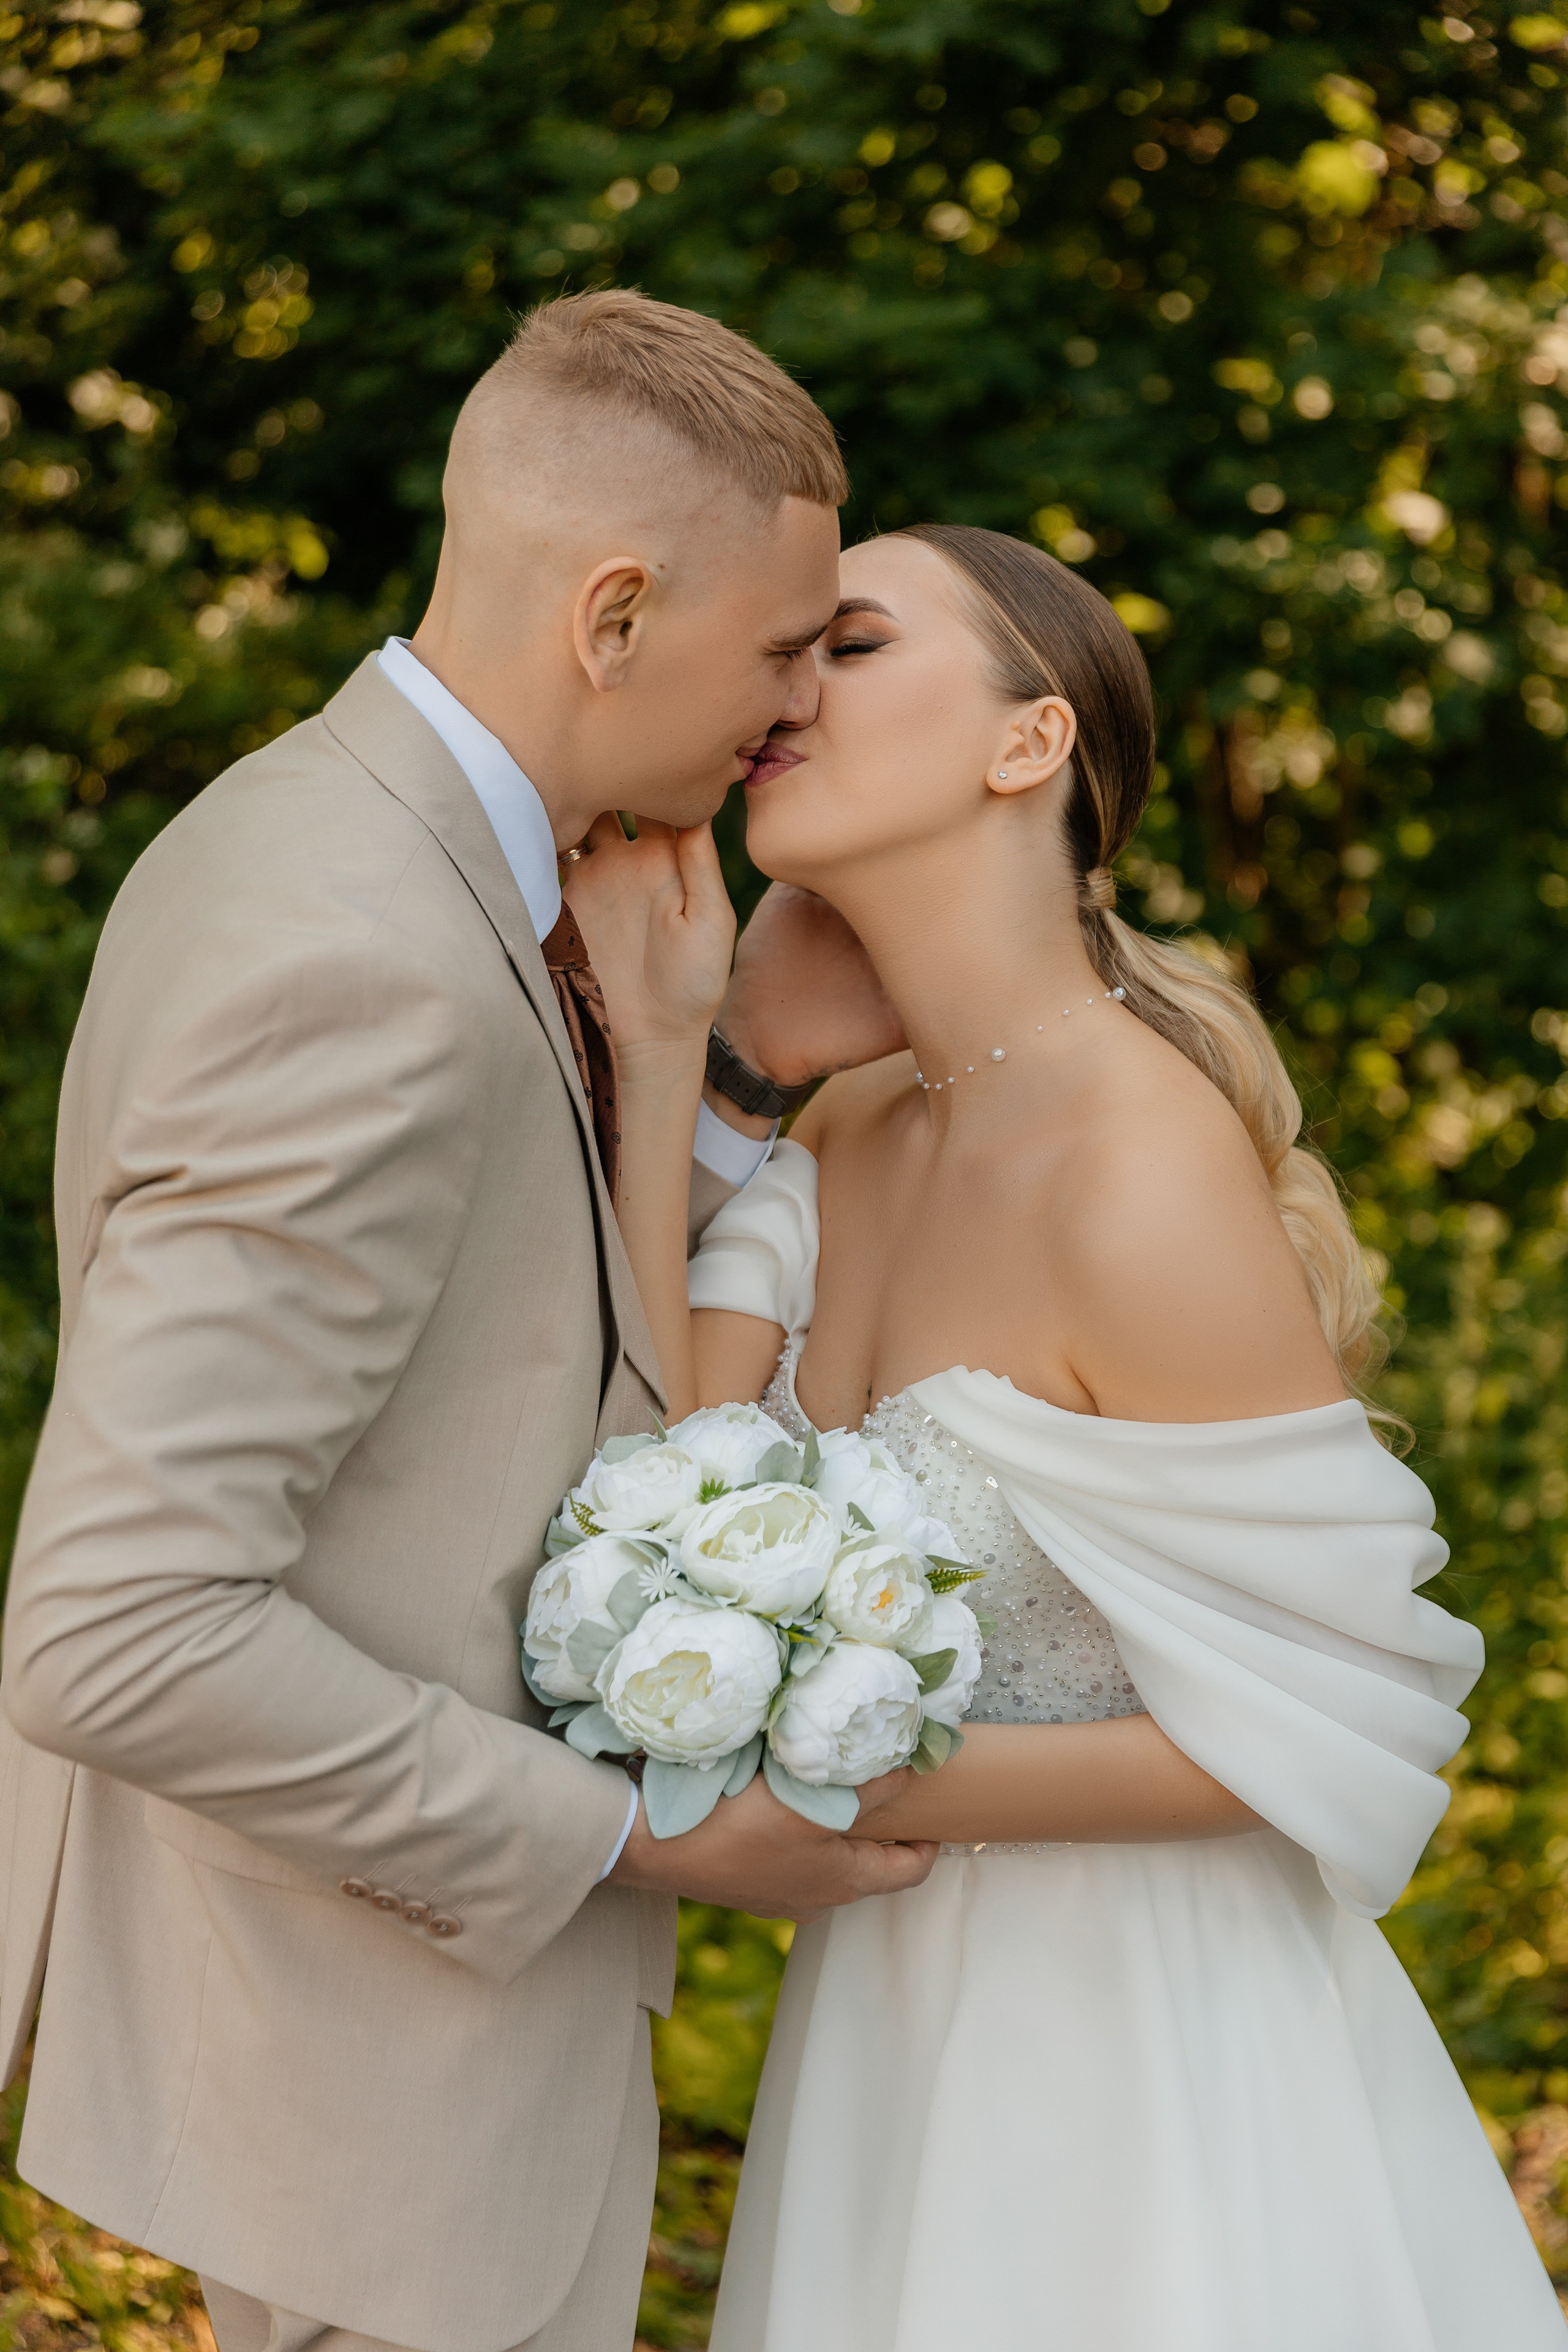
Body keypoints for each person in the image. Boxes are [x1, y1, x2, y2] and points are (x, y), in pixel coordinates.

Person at [0, 292, 936, 2352]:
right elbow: (119, 1624)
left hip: (375, 2053)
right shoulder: (370, 954)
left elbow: (487, 1323)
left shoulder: (330, 835)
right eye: (782, 651)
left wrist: (716, 1075)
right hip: (371, 2077)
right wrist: (634, 1829)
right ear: (612, 615)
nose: (794, 716)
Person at [566, 522, 1567, 2350]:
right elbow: (654, 1483)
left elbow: (1337, 1717)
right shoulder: (850, 1133)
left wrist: (829, 1779)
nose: (787, 689)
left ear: (1026, 745)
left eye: (849, 646)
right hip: (884, 2049)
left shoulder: (1138, 1164)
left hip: (1144, 2076)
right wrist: (691, 1053)